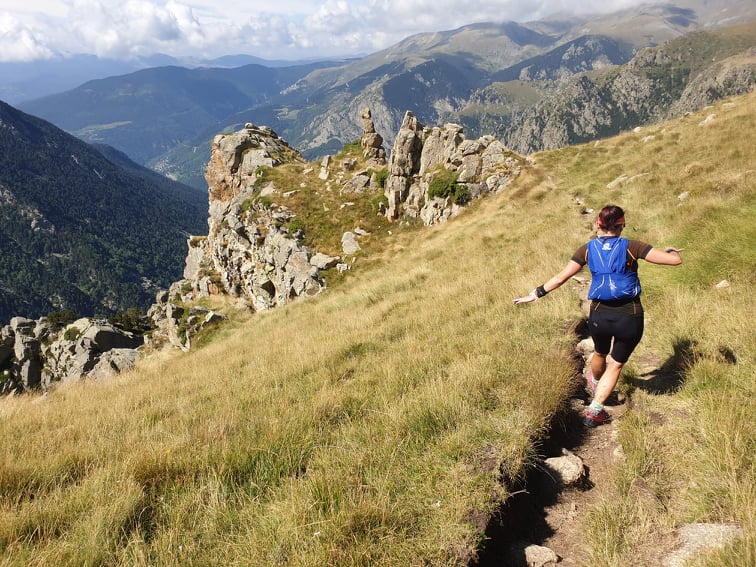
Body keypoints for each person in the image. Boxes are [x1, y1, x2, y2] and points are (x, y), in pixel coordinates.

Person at [512, 205, 683, 427]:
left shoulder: (587, 249)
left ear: (598, 225)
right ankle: (594, 411)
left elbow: (561, 277)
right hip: (629, 315)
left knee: (600, 352)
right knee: (616, 364)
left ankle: (595, 383)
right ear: (622, 225)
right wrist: (672, 251)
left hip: (599, 315)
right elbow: (674, 261)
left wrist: (535, 294)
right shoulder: (633, 246)